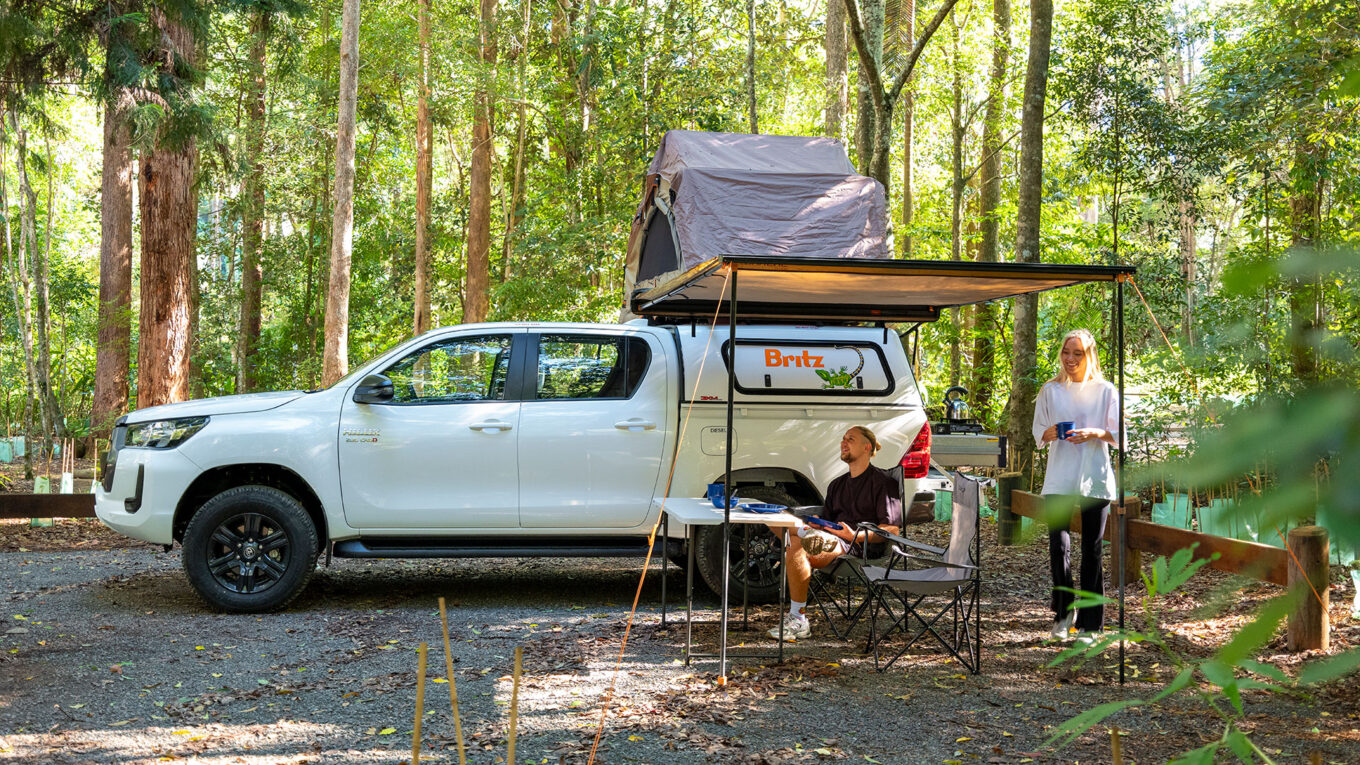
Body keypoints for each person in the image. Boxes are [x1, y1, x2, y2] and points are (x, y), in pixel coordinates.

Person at [768, 425, 902, 641]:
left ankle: (798, 618)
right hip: (829, 538)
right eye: (843, 438)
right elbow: (828, 522)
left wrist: (855, 536)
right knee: (775, 519)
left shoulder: (883, 483)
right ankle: (805, 532)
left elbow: (891, 530)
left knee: (797, 543)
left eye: (851, 439)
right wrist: (818, 525)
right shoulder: (837, 485)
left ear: (867, 447)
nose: (843, 442)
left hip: (859, 547)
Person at [1032, 328, 1121, 642]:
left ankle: (1091, 625)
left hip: (1094, 476)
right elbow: (1038, 433)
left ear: (1089, 355)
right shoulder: (1051, 390)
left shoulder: (1106, 390)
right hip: (1059, 476)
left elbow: (1119, 435)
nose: (1070, 359)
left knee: (1092, 550)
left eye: (1077, 353)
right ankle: (1063, 614)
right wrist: (1053, 431)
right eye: (1066, 353)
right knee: (1059, 546)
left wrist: (1095, 433)